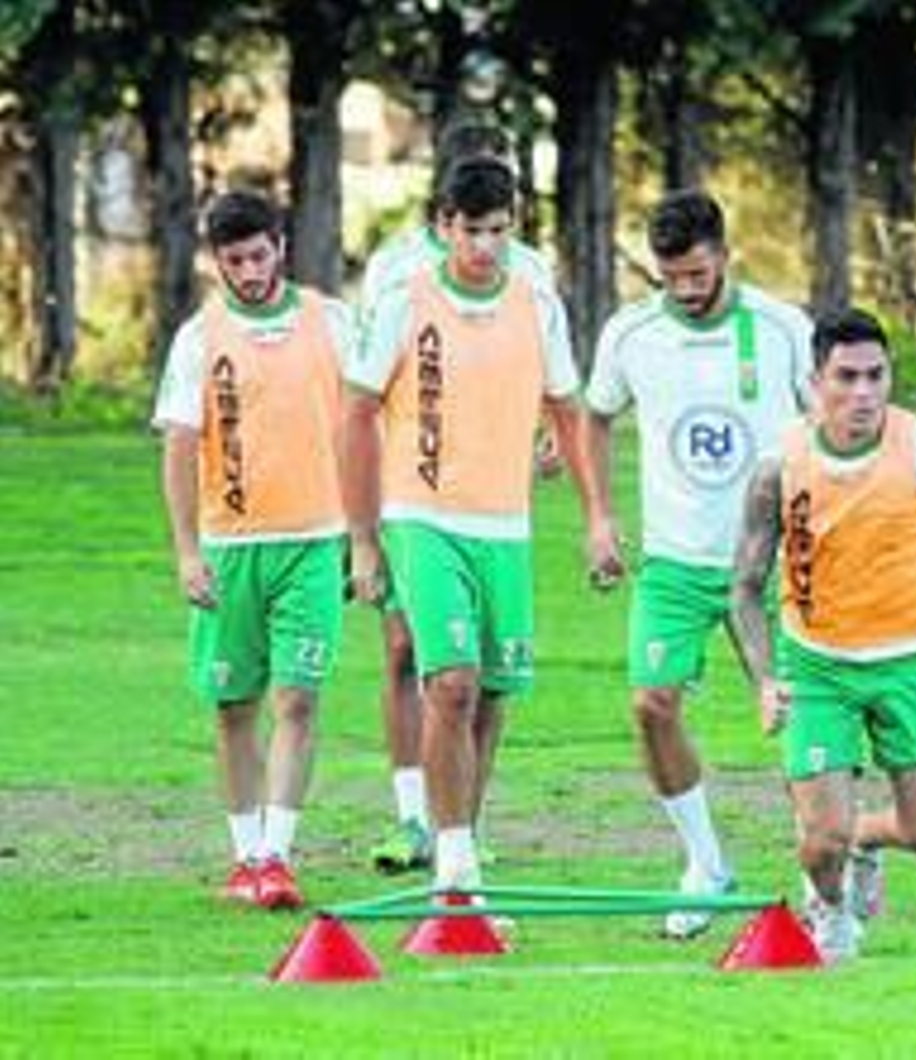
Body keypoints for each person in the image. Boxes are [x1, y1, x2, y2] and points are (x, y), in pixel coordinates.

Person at [342, 157, 610, 894]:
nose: (486, 246)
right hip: (421, 515)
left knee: (492, 692)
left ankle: (461, 834)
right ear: (444, 227)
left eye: (498, 231)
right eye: (471, 231)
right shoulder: (404, 300)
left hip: (506, 525)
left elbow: (569, 410)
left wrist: (596, 517)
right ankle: (453, 868)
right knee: (451, 683)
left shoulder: (537, 302)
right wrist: (362, 538)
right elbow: (356, 413)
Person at [729, 307, 916, 964]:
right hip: (816, 667)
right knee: (819, 841)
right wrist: (765, 679)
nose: (863, 393)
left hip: (910, 663)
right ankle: (830, 911)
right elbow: (744, 585)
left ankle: (865, 838)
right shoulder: (780, 465)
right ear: (815, 383)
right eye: (846, 377)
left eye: (876, 376)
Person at [584, 190, 812, 940]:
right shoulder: (631, 334)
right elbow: (595, 415)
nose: (685, 288)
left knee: (800, 719)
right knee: (651, 704)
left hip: (772, 561)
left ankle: (824, 876)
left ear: (725, 256)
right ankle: (706, 864)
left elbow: (827, 425)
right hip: (675, 563)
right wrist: (601, 518)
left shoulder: (782, 330)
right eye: (671, 276)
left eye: (698, 273)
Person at [153, 190, 355, 910]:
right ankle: (245, 856)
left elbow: (366, 424)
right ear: (217, 262)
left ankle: (277, 856)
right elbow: (180, 447)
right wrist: (187, 552)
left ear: (281, 247)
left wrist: (365, 535)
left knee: (298, 697)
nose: (249, 271)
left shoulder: (332, 322)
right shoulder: (198, 338)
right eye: (234, 260)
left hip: (315, 542)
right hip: (231, 547)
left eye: (259, 255)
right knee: (233, 706)